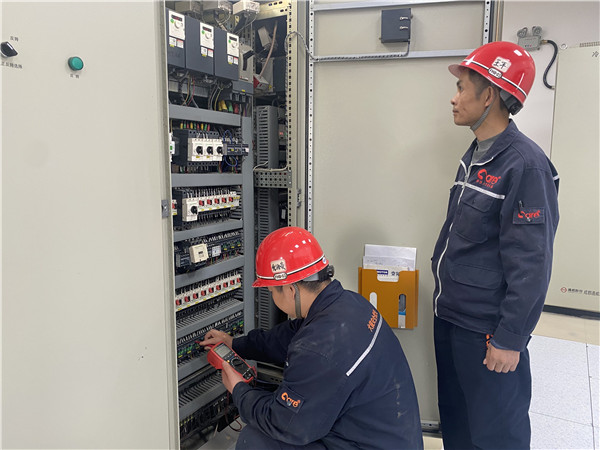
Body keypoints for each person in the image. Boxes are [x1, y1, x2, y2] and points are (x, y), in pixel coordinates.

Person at [431, 41, 560, 449]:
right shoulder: (476, 155)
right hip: (451, 317)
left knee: (496, 435)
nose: (454, 98)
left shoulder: (525, 165)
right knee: (458, 426)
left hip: (485, 329)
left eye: (462, 88)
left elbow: (532, 264)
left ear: (489, 95)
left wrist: (510, 339)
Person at [200, 226, 423, 449]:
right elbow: (288, 335)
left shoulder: (319, 349)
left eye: (271, 291)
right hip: (384, 436)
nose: (272, 296)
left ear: (290, 290)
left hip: (367, 444)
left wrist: (239, 390)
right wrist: (235, 344)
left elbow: (284, 425)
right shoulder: (349, 304)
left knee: (256, 441)